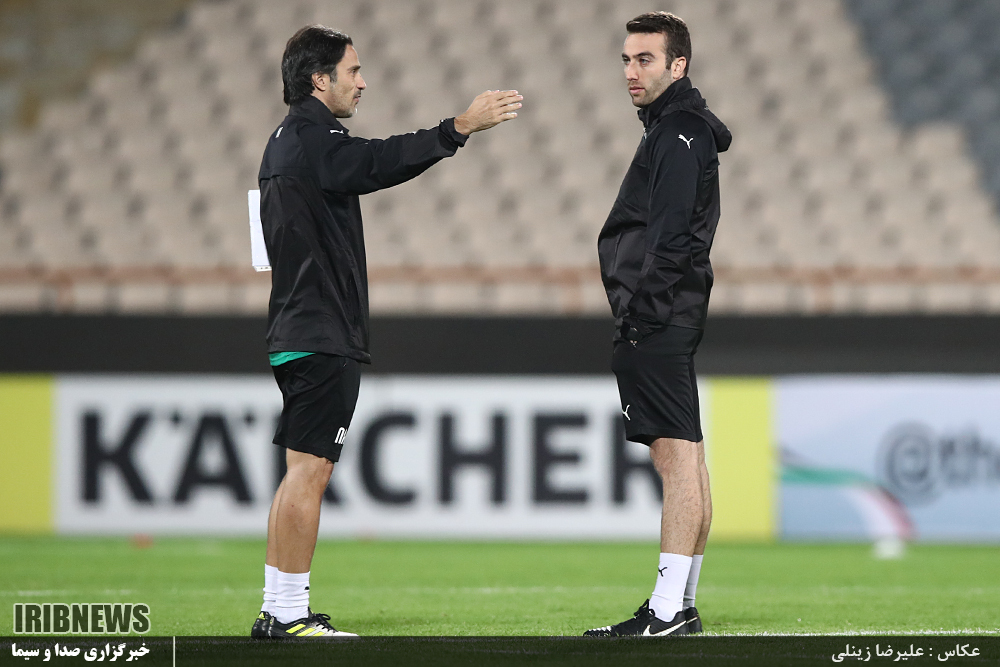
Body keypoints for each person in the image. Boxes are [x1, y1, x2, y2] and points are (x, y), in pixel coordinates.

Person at [250, 25, 522, 639]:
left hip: (297, 325)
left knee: (301, 471)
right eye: (352, 71)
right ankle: (287, 614)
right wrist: (458, 128)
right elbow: (376, 163)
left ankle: (277, 609)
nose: (362, 82)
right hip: (320, 331)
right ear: (318, 79)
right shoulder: (314, 139)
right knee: (310, 472)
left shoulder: (284, 142)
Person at [585, 12, 731, 637]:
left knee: (675, 462)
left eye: (644, 59)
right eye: (626, 59)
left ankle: (668, 609)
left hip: (660, 316)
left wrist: (642, 315)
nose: (630, 71)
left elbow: (668, 237)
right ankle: (681, 605)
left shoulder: (676, 134)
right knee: (688, 458)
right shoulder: (681, 130)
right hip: (674, 313)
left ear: (679, 65)